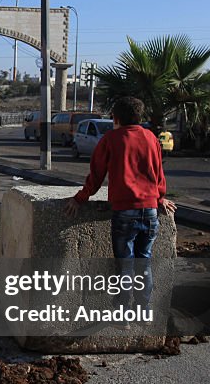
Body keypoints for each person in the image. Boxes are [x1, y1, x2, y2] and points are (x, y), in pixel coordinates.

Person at [63, 96, 176, 308]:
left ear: (116, 117)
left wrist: (79, 199)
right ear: (139, 116)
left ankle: (122, 313)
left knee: (125, 266)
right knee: (144, 263)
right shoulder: (151, 138)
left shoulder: (111, 139)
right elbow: (158, 174)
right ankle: (142, 310)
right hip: (150, 211)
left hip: (125, 212)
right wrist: (160, 197)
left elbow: (95, 177)